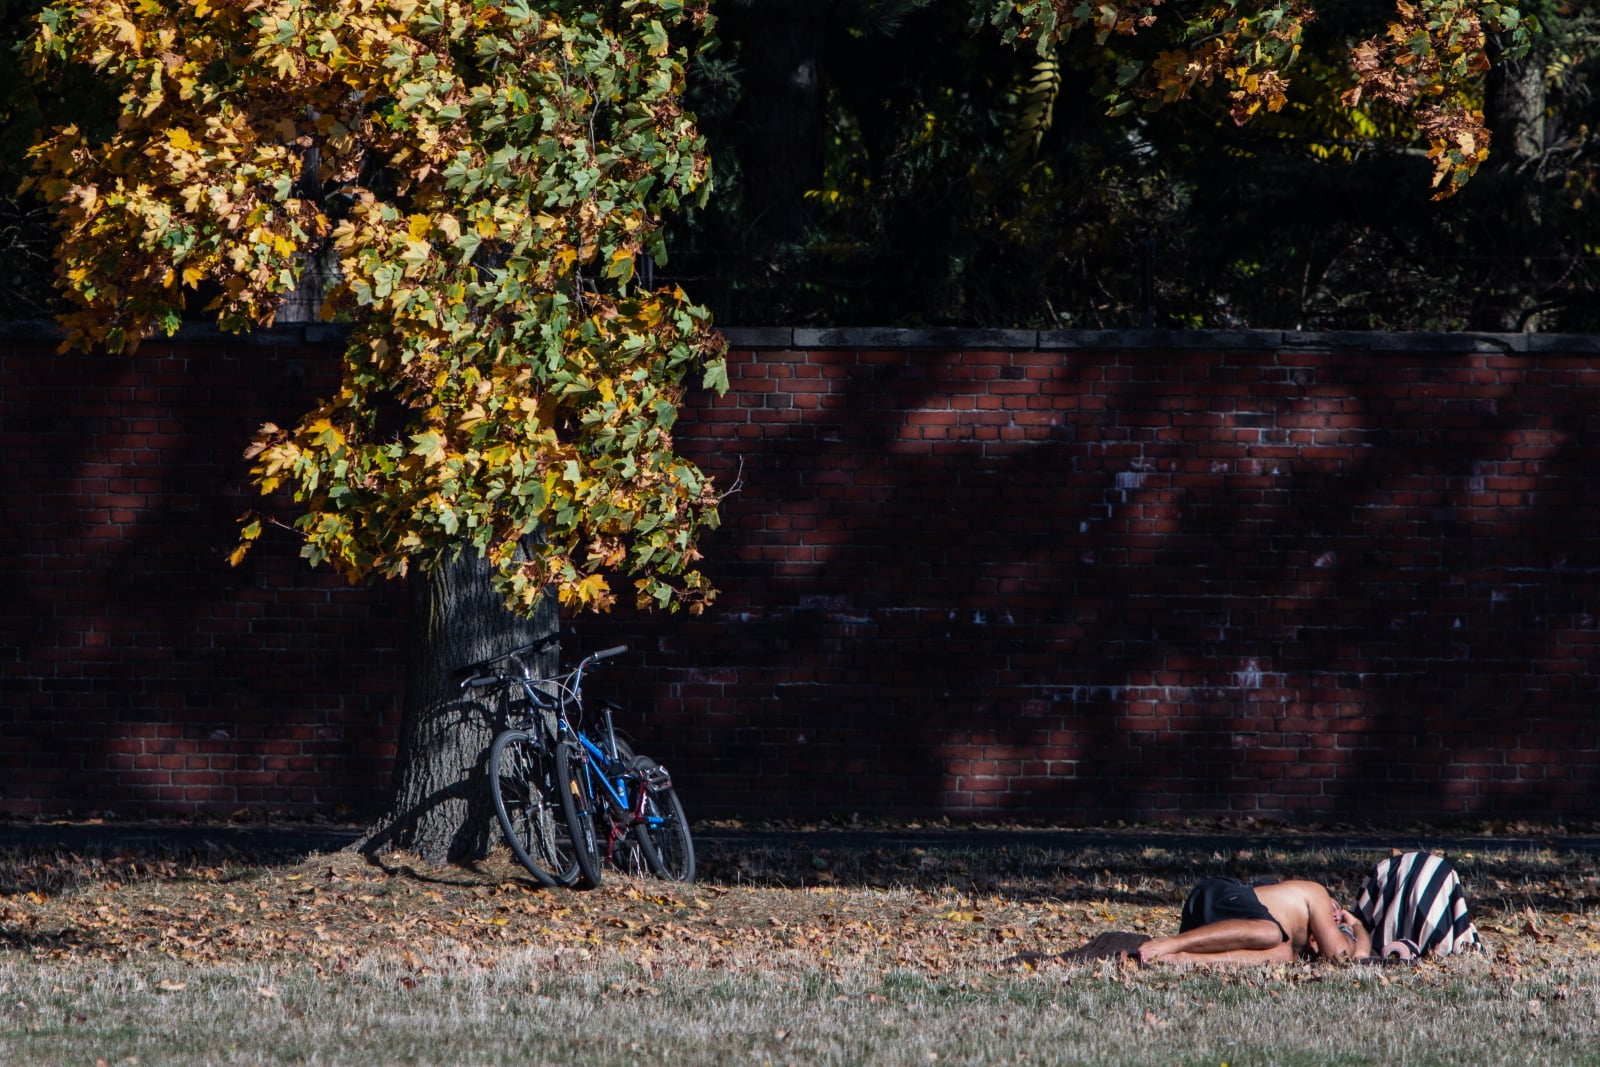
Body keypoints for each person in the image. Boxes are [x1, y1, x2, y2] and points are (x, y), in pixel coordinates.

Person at [1137, 877, 1372, 966]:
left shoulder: (1297, 947)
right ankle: (1172, 943)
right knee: (1270, 932)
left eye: (1338, 918)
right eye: (1336, 909)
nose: (1334, 915)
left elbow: (1356, 959)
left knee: (1281, 955)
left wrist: (1355, 927)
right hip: (1221, 892)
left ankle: (1186, 959)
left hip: (1220, 927)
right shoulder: (1315, 892)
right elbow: (1338, 954)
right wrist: (1351, 926)